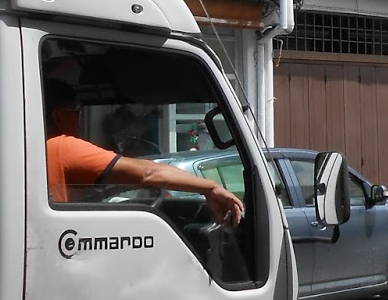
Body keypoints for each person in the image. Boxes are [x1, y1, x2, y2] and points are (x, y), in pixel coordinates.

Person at [45, 77, 244, 222]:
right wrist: (211, 188)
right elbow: (148, 173)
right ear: (57, 116)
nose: (79, 119)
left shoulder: (34, 151)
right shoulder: (60, 148)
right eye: (76, 112)